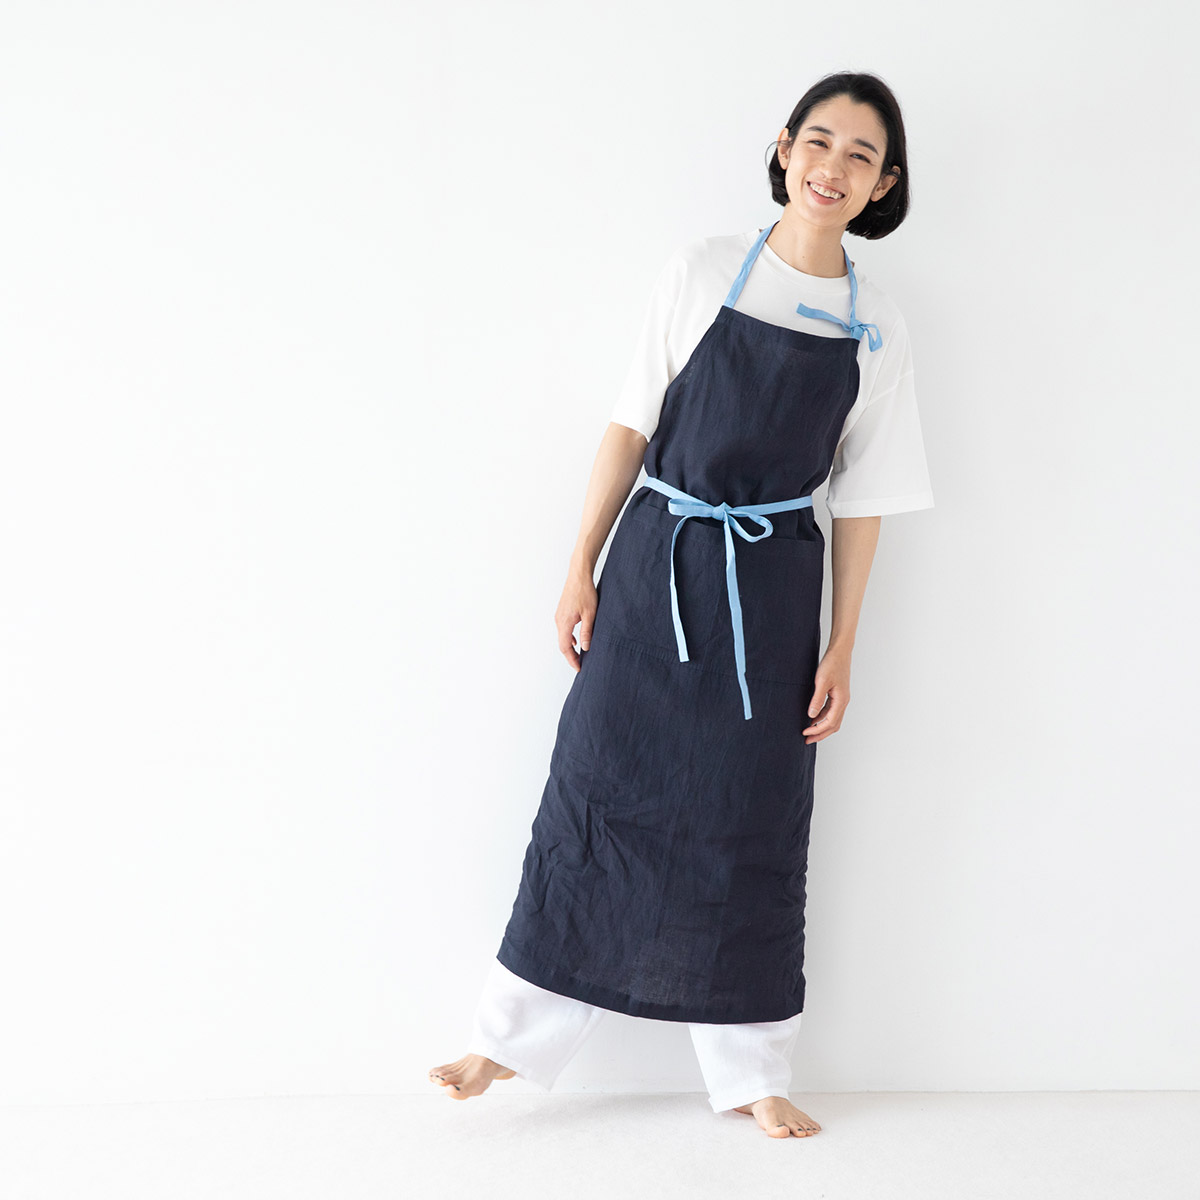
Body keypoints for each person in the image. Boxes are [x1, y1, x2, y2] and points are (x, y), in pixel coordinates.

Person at [429, 71, 935, 1140]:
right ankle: (505, 1041)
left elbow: (865, 500)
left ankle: (750, 1073)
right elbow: (630, 424)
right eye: (819, 141)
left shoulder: (880, 326)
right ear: (785, 148)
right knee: (593, 787)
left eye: (861, 155)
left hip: (775, 590)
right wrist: (580, 563)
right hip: (656, 562)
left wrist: (843, 643)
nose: (833, 167)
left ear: (885, 184)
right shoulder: (702, 270)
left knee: (752, 817)